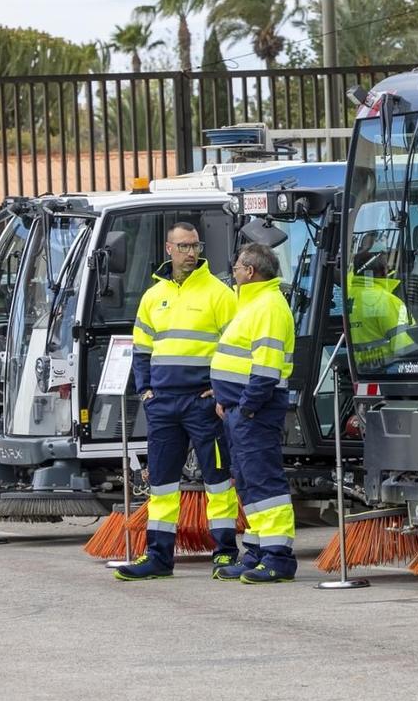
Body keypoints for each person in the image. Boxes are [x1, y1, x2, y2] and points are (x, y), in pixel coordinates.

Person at [116, 221, 241, 582]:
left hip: (202, 402)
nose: (191, 253)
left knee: (218, 481)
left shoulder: (219, 293)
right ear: (168, 249)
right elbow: (141, 349)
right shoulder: (153, 296)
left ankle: (226, 553)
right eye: (183, 247)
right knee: (162, 484)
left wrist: (220, 391)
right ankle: (158, 557)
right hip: (164, 404)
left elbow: (236, 347)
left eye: (195, 246)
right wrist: (146, 392)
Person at [210, 241, 298, 583]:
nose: (233, 274)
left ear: (249, 271)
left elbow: (266, 369)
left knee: (264, 483)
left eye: (236, 268)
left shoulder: (269, 307)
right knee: (248, 483)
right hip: (239, 409)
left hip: (254, 411)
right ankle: (258, 551)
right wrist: (227, 400)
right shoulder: (253, 304)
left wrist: (245, 407)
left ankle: (278, 557)